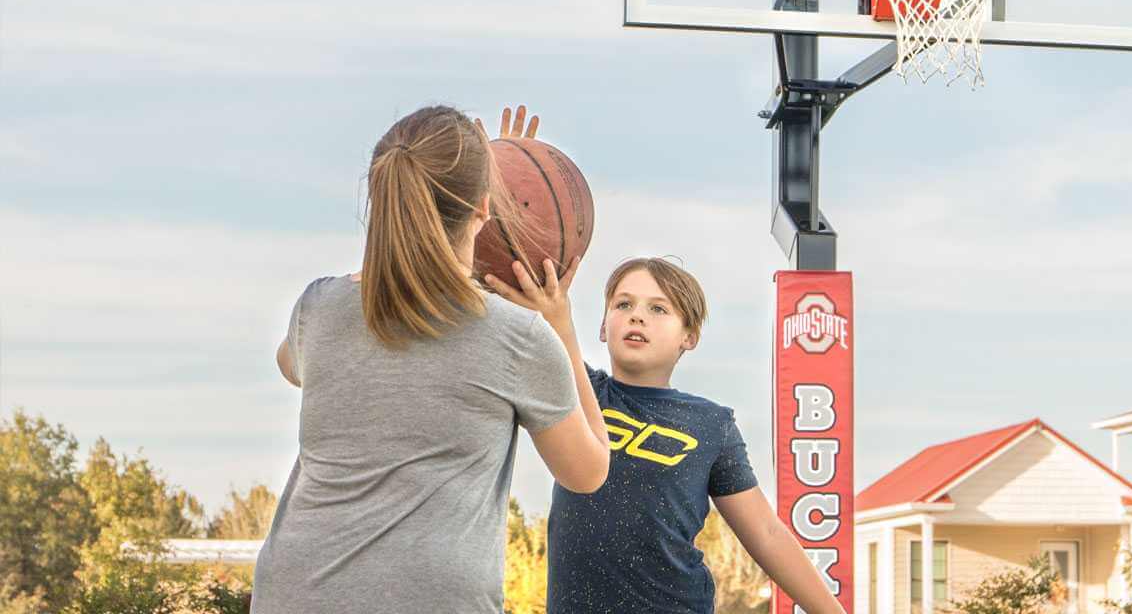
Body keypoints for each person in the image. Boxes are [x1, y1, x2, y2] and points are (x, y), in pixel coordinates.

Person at [484, 107, 846, 614]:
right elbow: (506, 298)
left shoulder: (710, 424)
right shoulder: (577, 391)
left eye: (659, 309)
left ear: (689, 336)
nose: (638, 317)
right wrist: (498, 191)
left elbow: (764, 532)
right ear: (602, 325)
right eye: (624, 305)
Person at [251, 105, 610, 613]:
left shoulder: (318, 309)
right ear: (483, 210)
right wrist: (562, 328)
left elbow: (290, 364)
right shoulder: (517, 338)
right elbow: (588, 470)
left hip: (296, 593)